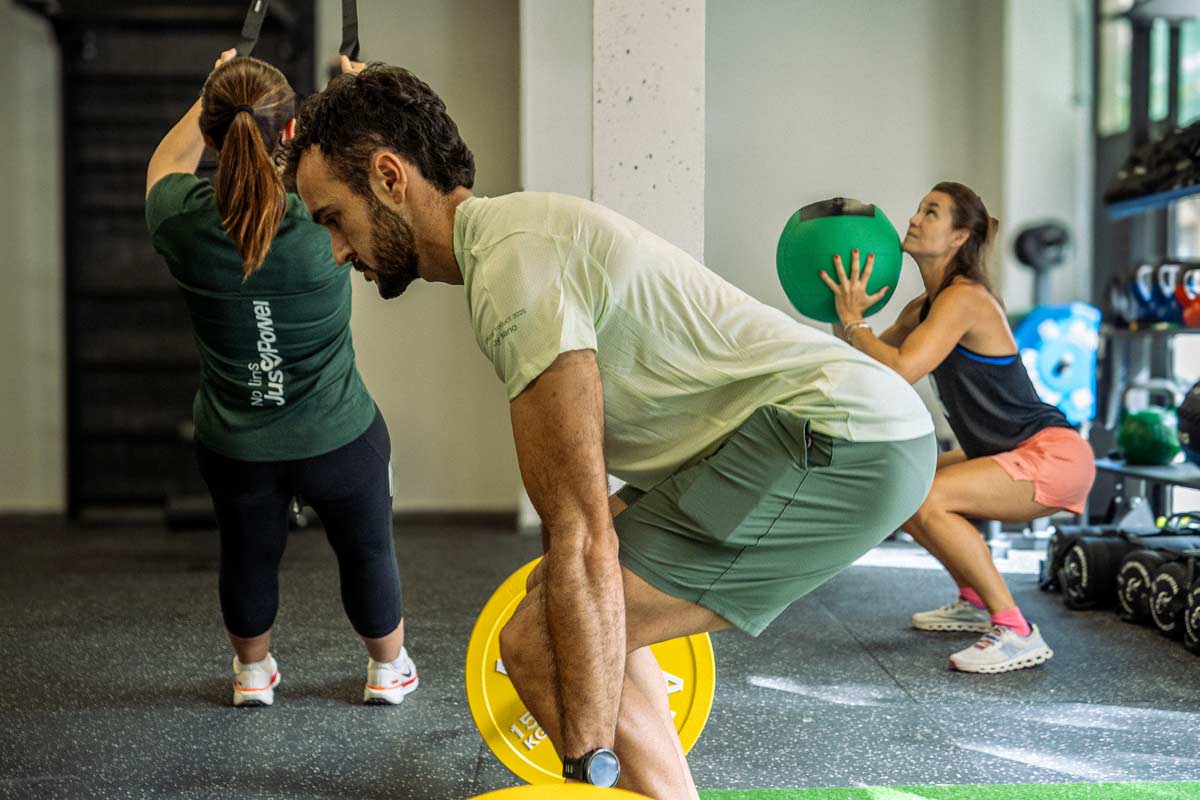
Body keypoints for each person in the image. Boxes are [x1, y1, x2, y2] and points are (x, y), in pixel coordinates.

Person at [283, 59, 936, 799]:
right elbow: (582, 547)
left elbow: (581, 535)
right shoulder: (514, 241)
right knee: (565, 609)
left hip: (841, 440)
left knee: (541, 639)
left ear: (391, 177)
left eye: (334, 217)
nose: (337, 250)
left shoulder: (514, 270)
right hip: (827, 432)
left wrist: (586, 763)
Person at [145, 50, 417, 707]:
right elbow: (383, 179)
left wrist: (213, 90)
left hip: (237, 446)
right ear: (292, 133)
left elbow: (164, 166)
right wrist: (363, 104)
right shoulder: (326, 215)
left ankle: (253, 674)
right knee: (367, 552)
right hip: (338, 438)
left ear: (213, 134)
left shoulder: (181, 220)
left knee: (246, 552)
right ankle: (387, 670)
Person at [821, 181, 1096, 674]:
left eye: (932, 213)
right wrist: (842, 318)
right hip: (1001, 448)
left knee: (928, 499)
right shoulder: (922, 307)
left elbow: (903, 367)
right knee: (904, 491)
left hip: (1052, 455)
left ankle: (1014, 630)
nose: (914, 219)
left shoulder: (965, 299)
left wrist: (856, 323)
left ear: (958, 238)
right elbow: (867, 365)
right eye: (919, 208)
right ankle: (973, 599)